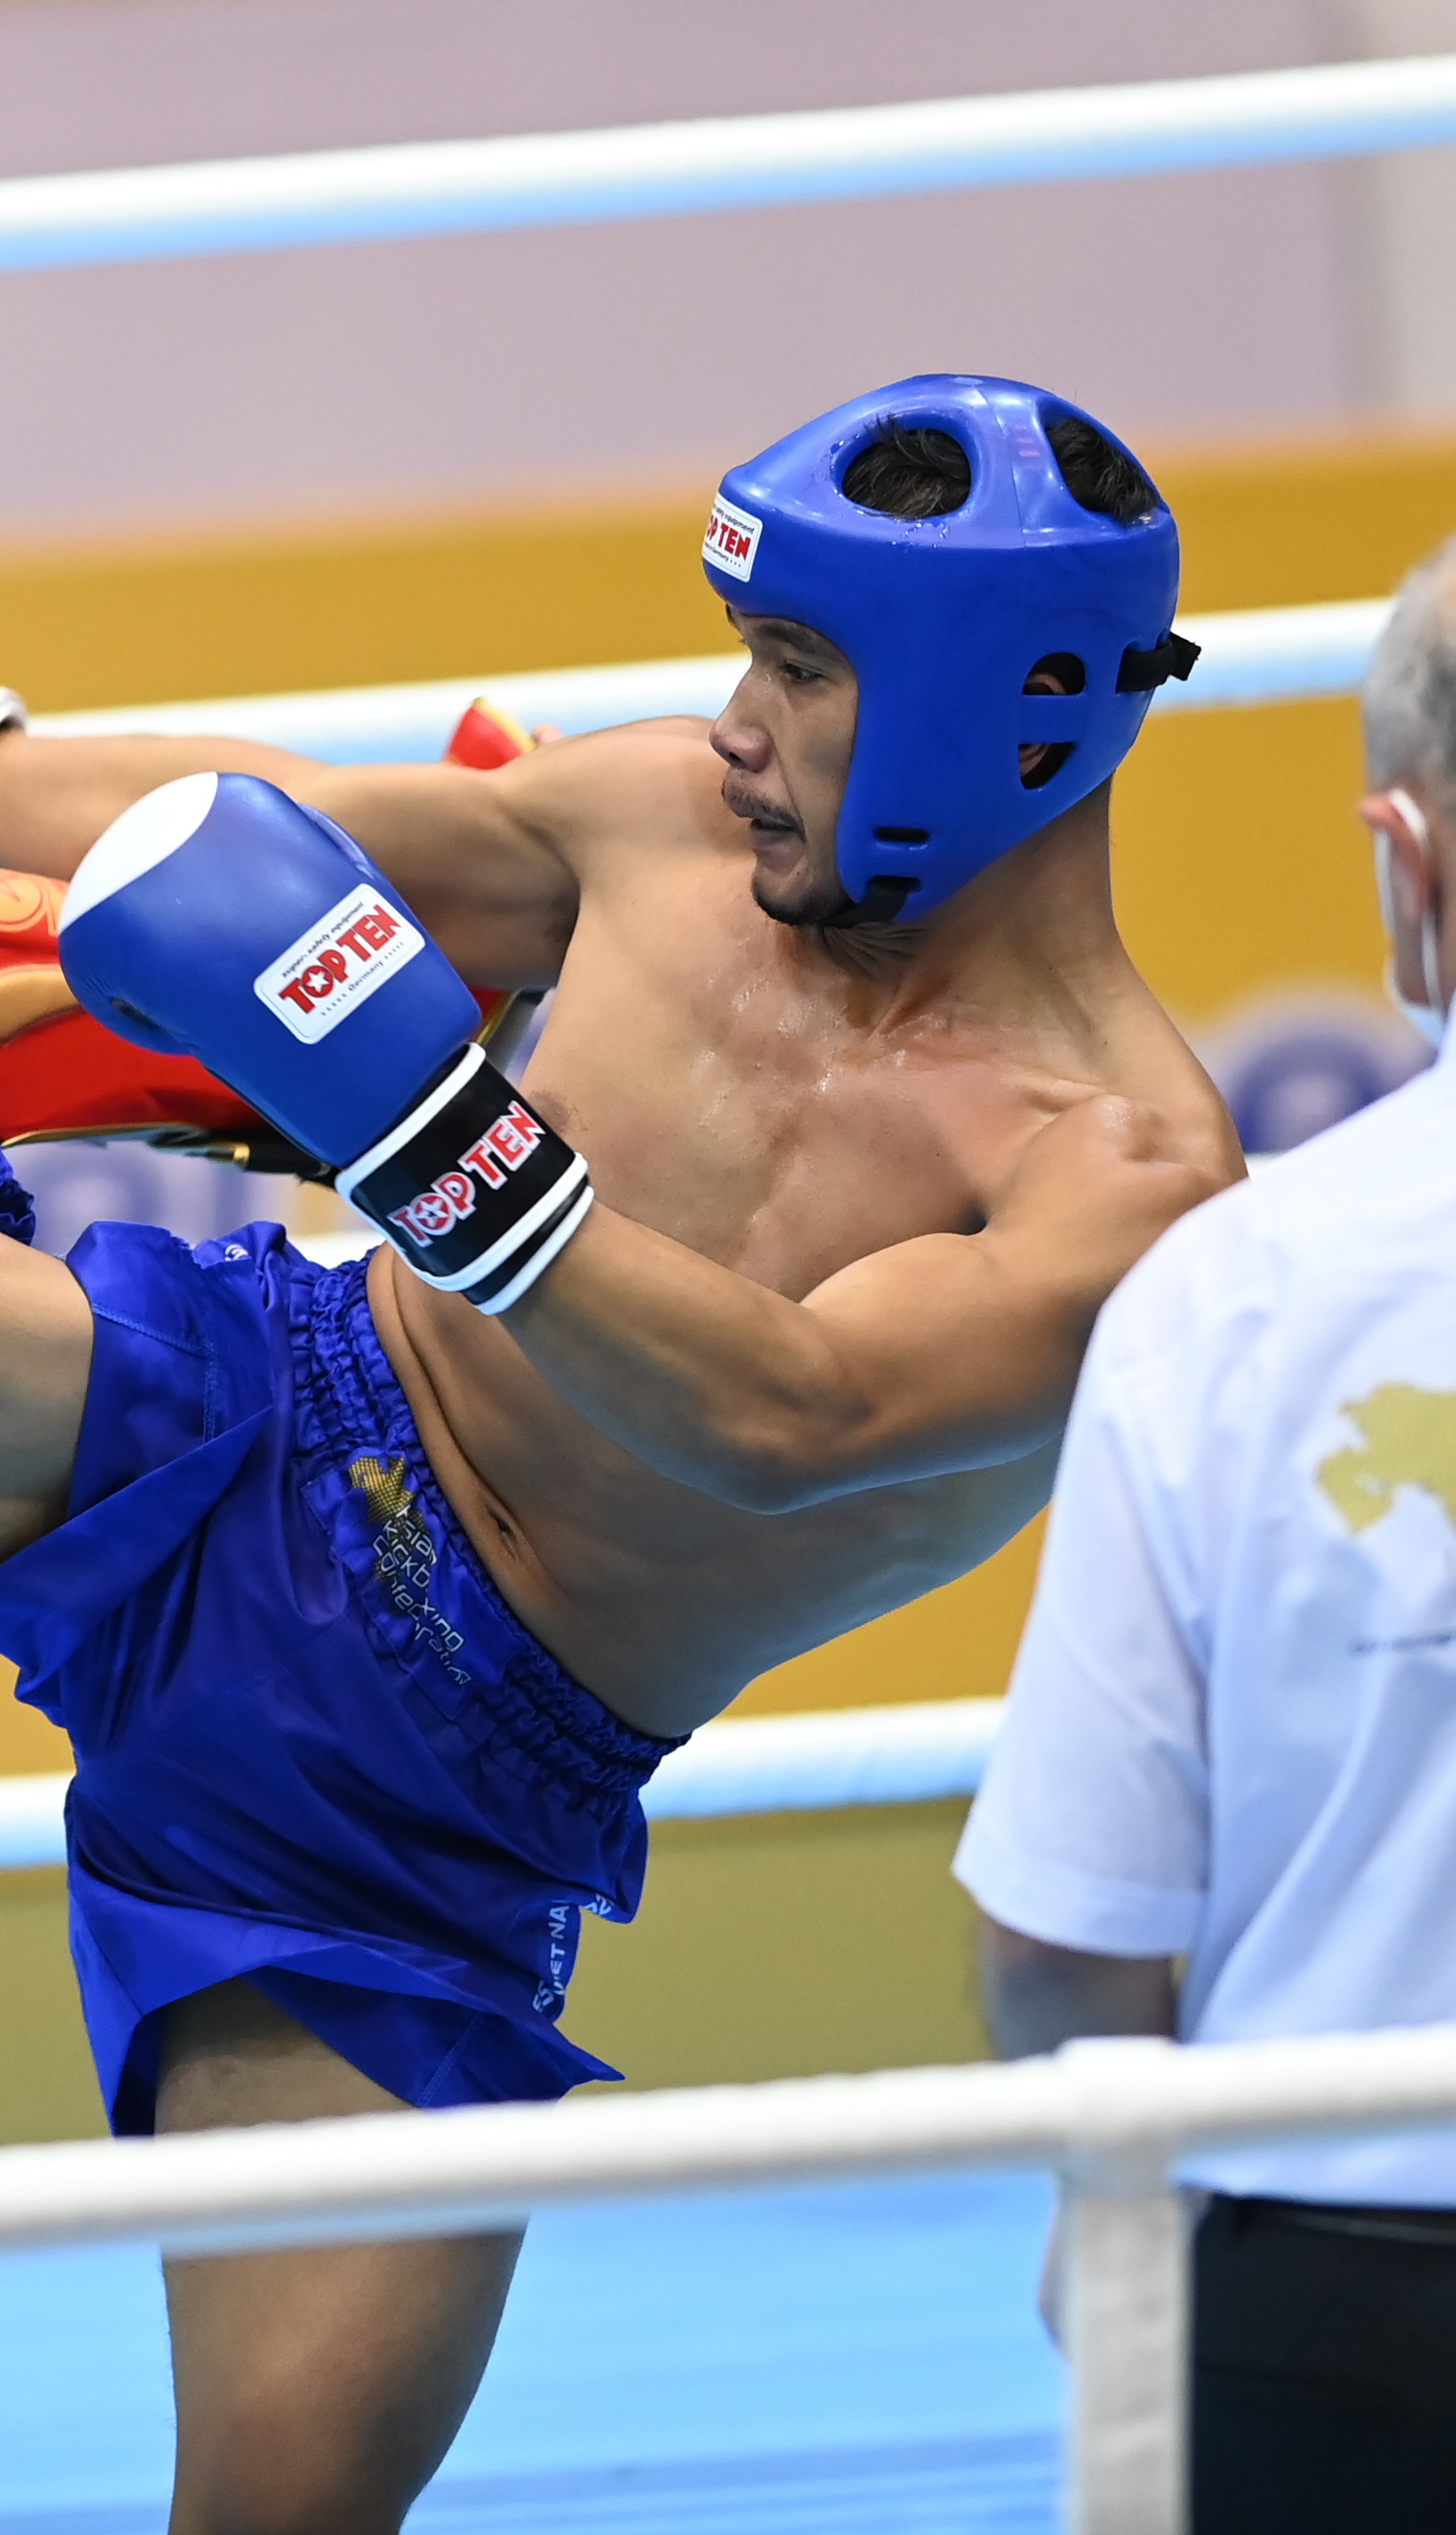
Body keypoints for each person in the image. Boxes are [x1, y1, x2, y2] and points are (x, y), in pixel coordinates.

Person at [0, 374, 1240, 2533]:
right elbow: (271, 828)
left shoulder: (1118, 1172)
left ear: (996, 707)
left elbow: (792, 1420)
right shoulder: (662, 829)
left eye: (795, 668)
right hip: (237, 1415)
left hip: (426, 1819)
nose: (732, 723)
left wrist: (423, 1129)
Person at [952, 533, 1456, 2534]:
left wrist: (1121, 2212)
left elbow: (1065, 1941)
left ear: (1403, 867)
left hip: (1335, 2296)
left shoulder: (1239, 1294)